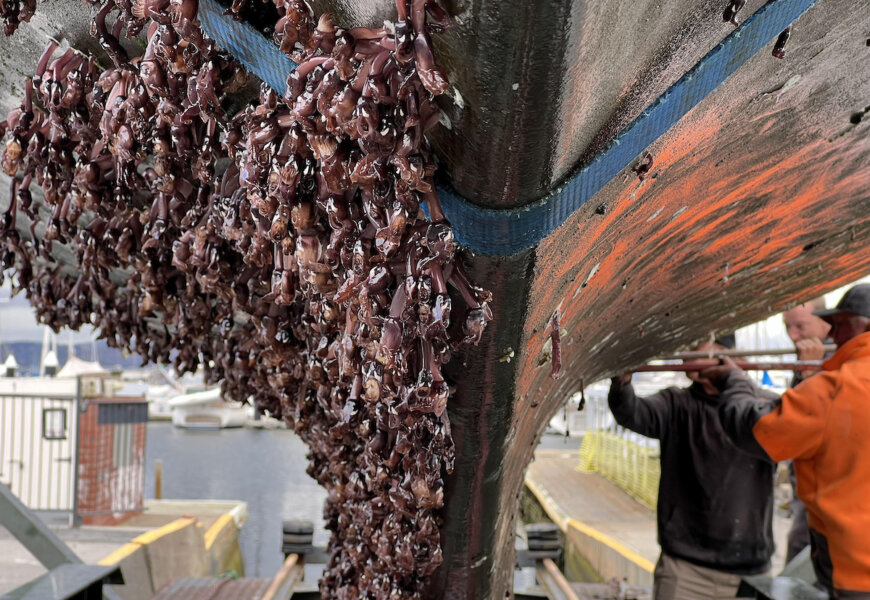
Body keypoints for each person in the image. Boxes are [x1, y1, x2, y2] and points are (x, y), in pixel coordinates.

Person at [708, 284, 870, 598]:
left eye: (838, 326)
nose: (832, 336)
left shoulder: (837, 389)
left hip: (858, 577)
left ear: (861, 324)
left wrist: (734, 382)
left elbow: (756, 431)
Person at [608, 334, 776, 600]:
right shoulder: (676, 404)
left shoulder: (761, 406)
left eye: (693, 347)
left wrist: (733, 380)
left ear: (723, 353)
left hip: (750, 570)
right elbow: (632, 412)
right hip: (685, 568)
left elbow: (803, 429)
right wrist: (622, 383)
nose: (685, 354)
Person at [782, 299, 832, 563]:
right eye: (787, 327)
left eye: (800, 326)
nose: (792, 335)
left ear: (825, 323)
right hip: (806, 497)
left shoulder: (839, 363)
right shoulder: (805, 361)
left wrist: (809, 375)